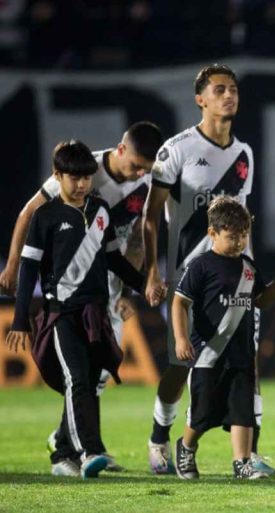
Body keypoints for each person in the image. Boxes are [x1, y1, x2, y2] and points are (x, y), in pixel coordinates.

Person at [0, 121, 162, 471]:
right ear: (119, 150)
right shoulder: (82, 170)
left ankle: (70, 442)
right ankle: (81, 448)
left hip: (104, 290)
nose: (138, 173)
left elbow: (129, 242)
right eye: (135, 165)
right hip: (66, 296)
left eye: (144, 169)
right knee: (79, 376)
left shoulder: (133, 189)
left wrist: (133, 288)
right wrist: (13, 265)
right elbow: (29, 214)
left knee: (96, 374)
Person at [143, 64, 272, 477]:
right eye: (219, 90)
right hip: (190, 275)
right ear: (200, 99)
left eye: (233, 89)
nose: (229, 96)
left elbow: (243, 217)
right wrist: (153, 272)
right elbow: (150, 217)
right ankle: (160, 437)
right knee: (182, 365)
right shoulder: (176, 149)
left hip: (235, 278)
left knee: (246, 364)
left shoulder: (244, 153)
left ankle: (246, 456)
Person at [172, 196, 275, 480]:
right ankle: (186, 446)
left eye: (244, 235)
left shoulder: (248, 266)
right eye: (232, 236)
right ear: (212, 233)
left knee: (242, 411)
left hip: (241, 354)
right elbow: (179, 303)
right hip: (208, 354)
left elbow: (260, 300)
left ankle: (242, 462)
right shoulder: (200, 266)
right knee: (201, 413)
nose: (239, 241)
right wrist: (181, 339)